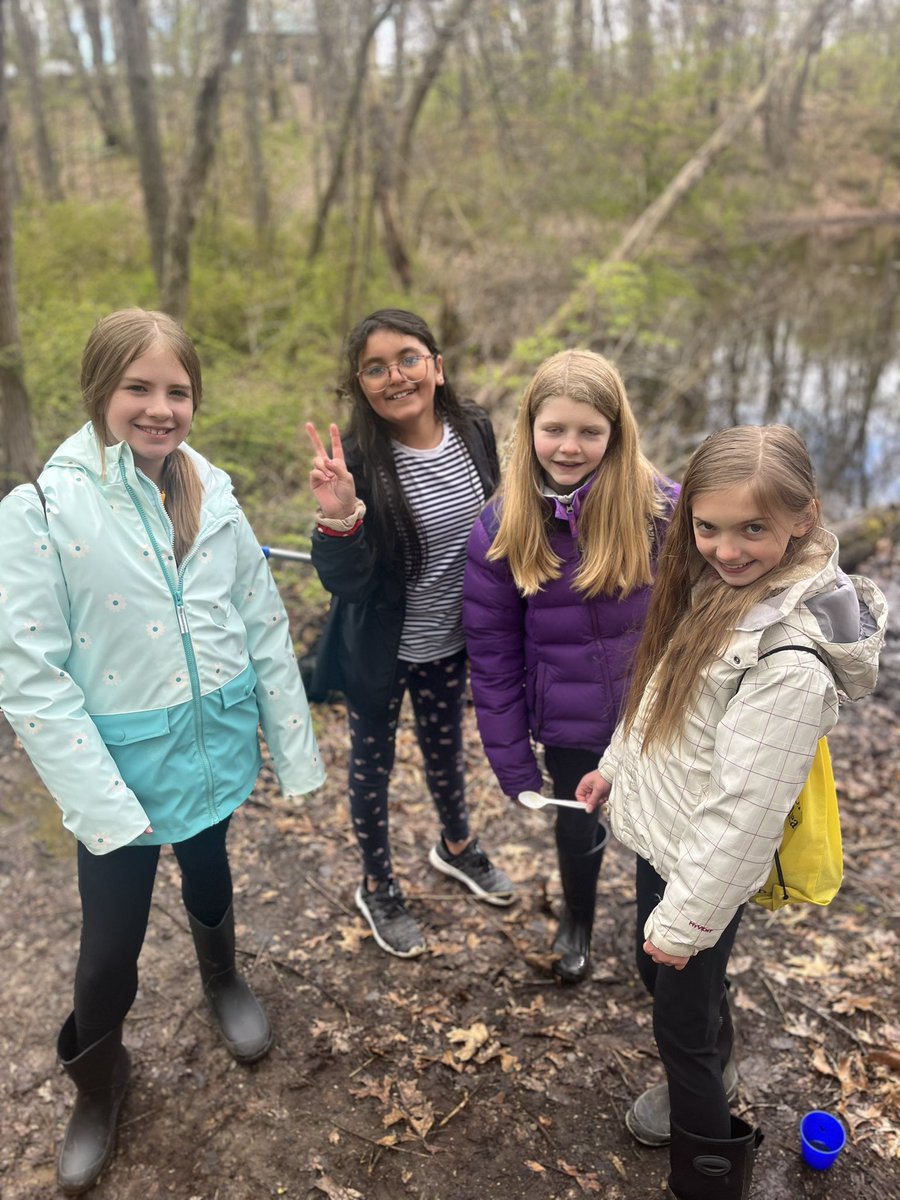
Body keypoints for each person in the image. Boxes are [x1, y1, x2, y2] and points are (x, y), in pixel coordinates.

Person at [0, 309, 325, 1195]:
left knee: (211, 871)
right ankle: (97, 1082)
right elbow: (28, 674)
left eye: (177, 390)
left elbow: (258, 620)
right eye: (138, 388)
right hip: (120, 770)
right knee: (111, 944)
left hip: (212, 746)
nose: (159, 407)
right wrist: (101, 805)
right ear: (100, 390)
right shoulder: (41, 512)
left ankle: (222, 979)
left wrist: (292, 749)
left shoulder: (213, 494)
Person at [575, 425, 886, 1200]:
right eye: (708, 527)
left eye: (753, 529)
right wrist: (614, 767)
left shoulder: (788, 663)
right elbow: (662, 697)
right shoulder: (725, 587)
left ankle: (706, 1175)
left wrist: (687, 921)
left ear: (802, 518)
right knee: (674, 986)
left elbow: (746, 814)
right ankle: (718, 1058)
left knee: (676, 1026)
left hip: (703, 863)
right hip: (667, 836)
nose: (726, 547)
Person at [304, 308, 514, 960]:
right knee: (372, 768)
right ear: (361, 384)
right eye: (375, 367)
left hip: (452, 641)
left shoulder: (474, 428)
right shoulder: (361, 461)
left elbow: (500, 524)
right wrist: (340, 521)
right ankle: (378, 885)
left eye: (408, 358)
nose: (395, 376)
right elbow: (351, 584)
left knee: (446, 750)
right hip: (381, 649)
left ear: (436, 365)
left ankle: (455, 848)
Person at [463, 349, 678, 983]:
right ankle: (577, 917)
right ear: (528, 427)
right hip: (569, 720)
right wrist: (511, 759)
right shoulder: (503, 525)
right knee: (579, 824)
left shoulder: (662, 510)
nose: (569, 446)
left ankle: (661, 933)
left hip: (655, 716)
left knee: (658, 830)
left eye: (590, 431)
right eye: (554, 428)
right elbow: (493, 653)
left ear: (616, 434)